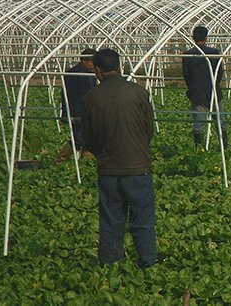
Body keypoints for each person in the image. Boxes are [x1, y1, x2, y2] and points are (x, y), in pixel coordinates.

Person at [81, 49, 157, 268]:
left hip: (108, 169)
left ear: (97, 70)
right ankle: (147, 265)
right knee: (142, 220)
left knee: (111, 221)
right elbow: (148, 130)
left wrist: (101, 153)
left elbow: (88, 136)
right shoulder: (138, 92)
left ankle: (111, 265)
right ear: (119, 66)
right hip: (138, 168)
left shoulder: (91, 98)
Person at [182, 26, 227, 149]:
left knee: (198, 124)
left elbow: (186, 75)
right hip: (213, 92)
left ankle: (199, 151)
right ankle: (224, 148)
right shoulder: (214, 53)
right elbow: (219, 73)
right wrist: (213, 84)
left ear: (193, 38)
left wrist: (193, 87)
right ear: (206, 38)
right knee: (220, 122)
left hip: (197, 94)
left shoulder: (188, 55)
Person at [55, 48, 97, 164]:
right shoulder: (73, 74)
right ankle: (60, 160)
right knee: (79, 139)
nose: (93, 64)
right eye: (91, 61)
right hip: (77, 113)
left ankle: (86, 164)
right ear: (84, 60)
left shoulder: (91, 74)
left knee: (88, 138)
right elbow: (68, 96)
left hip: (88, 112)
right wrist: (69, 114)